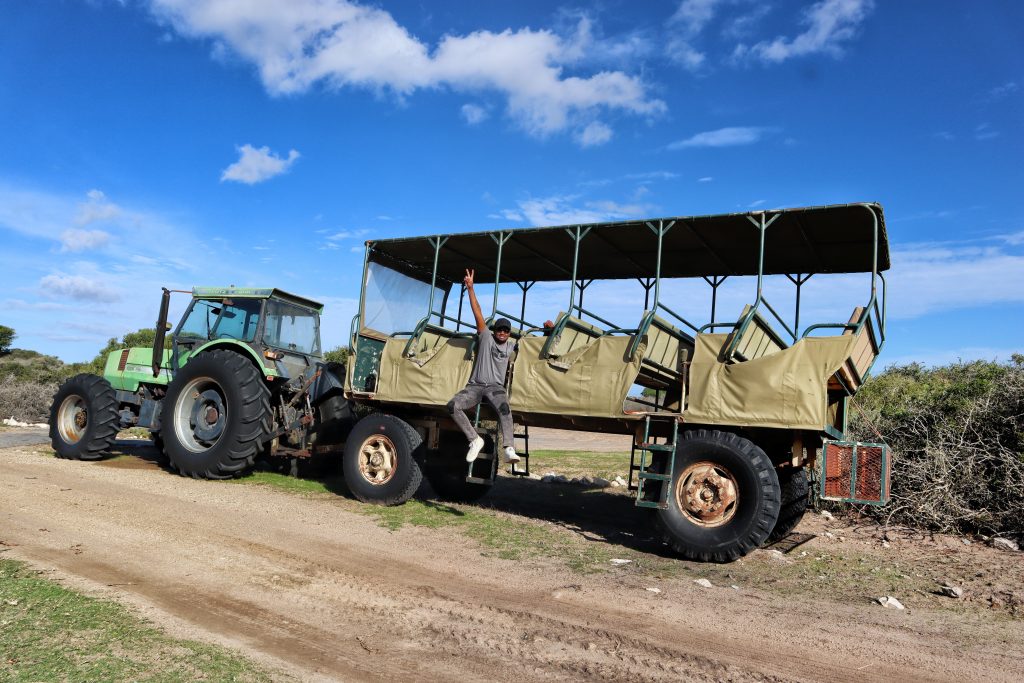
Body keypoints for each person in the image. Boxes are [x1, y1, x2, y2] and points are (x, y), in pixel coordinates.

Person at [447, 268, 520, 464]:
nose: (502, 333)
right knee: (453, 406)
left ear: (509, 334)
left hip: (495, 388)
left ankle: (509, 449)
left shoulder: (512, 346)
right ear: (494, 330)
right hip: (475, 386)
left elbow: (533, 347)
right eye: (499, 329)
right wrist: (470, 288)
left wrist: (548, 329)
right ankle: (474, 439)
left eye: (506, 330)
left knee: (505, 408)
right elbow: (477, 311)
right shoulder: (486, 337)